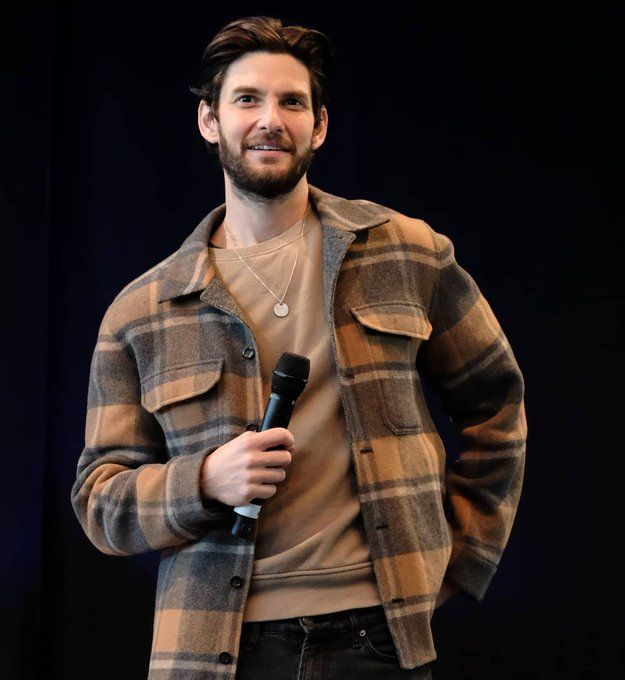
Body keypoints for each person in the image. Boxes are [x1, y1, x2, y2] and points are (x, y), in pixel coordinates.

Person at [71, 15, 527, 680]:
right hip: (217, 650)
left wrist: (462, 559)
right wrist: (202, 481)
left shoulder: (405, 250)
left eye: (291, 102)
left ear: (319, 126)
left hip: (380, 638)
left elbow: (496, 403)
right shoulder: (142, 310)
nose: (269, 120)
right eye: (247, 99)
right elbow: (99, 502)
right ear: (209, 121)